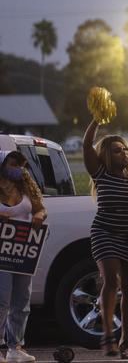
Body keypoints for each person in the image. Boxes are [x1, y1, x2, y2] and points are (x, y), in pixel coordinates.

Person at [83, 120, 128, 359]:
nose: (123, 152)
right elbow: (86, 145)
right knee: (111, 280)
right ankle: (108, 336)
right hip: (104, 232)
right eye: (116, 150)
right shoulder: (100, 173)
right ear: (107, 155)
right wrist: (96, 121)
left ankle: (126, 340)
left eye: (125, 149)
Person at [0, 151, 47, 363]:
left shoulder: (25, 185)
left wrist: (39, 215)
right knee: (2, 300)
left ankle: (15, 347)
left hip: (23, 250)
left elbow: (40, 208)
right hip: (1, 252)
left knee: (22, 300)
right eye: (13, 163)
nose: (18, 167)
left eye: (20, 164)